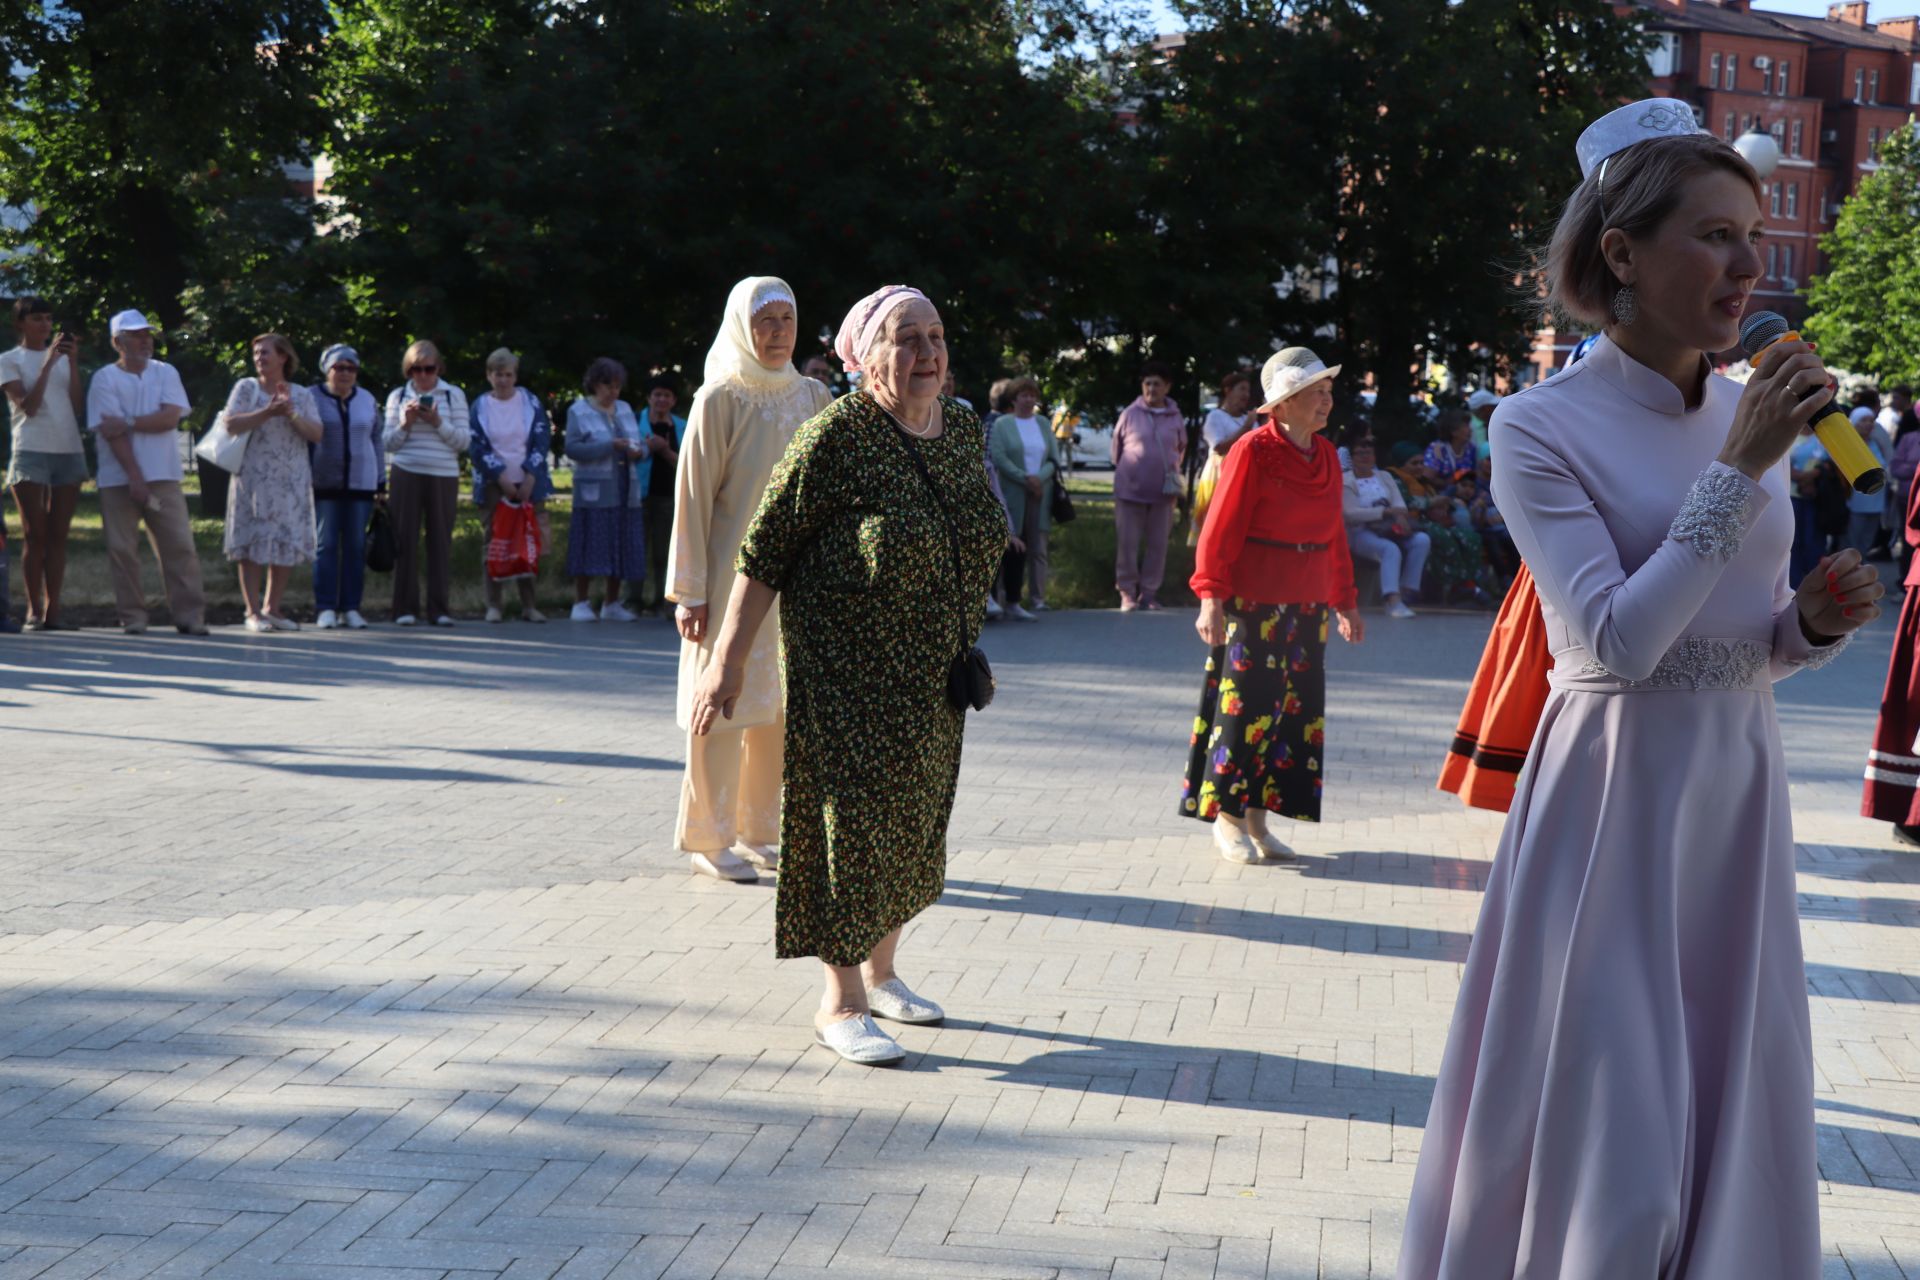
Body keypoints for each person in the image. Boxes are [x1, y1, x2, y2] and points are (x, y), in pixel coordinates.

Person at [1397, 101, 1874, 1280]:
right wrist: (1738, 471)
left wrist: (1804, 626)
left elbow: (1727, 640)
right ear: (1622, 253)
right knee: (1622, 1111)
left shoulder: (1742, 414)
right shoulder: (1537, 425)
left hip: (1733, 791)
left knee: (1727, 1080)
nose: (1747, 267)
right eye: (1713, 235)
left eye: (1752, 237)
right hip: (1612, 800)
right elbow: (1612, 644)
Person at [688, 284, 1005, 1066]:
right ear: (865, 356)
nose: (928, 354)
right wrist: (725, 663)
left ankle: (885, 971)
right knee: (850, 826)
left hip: (935, 676)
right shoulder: (835, 435)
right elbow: (762, 553)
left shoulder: (961, 430)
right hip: (848, 675)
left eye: (936, 336)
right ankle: (841, 1001)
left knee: (911, 820)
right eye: (907, 339)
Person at [669, 276, 833, 883]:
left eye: (787, 320)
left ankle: (762, 829)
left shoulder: (814, 396)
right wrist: (689, 591)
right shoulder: (718, 399)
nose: (777, 332)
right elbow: (692, 501)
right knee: (718, 705)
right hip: (725, 583)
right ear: (742, 324)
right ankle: (708, 837)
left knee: (781, 709)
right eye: (765, 320)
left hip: (797, 584)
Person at [1181, 347, 1362, 864]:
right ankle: (1229, 819)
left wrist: (1344, 601)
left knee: (1290, 716)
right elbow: (1220, 528)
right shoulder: (1252, 450)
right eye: (1314, 394)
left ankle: (1259, 823)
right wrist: (1210, 598)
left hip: (1306, 605)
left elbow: (1334, 535)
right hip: (1253, 601)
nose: (1326, 402)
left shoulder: (1326, 454)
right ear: (1281, 405)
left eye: (1328, 393)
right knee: (1246, 710)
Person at [86, 310, 207, 636]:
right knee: (123, 550)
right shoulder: (104, 378)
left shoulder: (166, 372)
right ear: (117, 341)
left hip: (165, 475)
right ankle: (133, 617)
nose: (144, 340)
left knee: (180, 547)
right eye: (136, 335)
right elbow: (110, 433)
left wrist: (127, 421)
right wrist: (135, 477)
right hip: (118, 479)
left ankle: (190, 615)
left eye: (147, 334)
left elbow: (170, 419)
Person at [222, 333, 322, 632]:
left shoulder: (302, 394)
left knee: (284, 541)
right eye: (256, 353)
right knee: (251, 543)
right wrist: (267, 412)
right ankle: (252, 612)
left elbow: (316, 433)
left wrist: (290, 412)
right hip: (252, 479)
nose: (259, 358)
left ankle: (273, 608)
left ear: (283, 357)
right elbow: (230, 424)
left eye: (265, 352)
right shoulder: (246, 388)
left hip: (290, 481)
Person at [2, 298, 87, 630]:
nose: (45, 325)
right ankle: (33, 610)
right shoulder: (9, 360)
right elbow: (28, 407)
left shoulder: (66, 360)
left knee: (58, 535)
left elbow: (77, 406)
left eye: (49, 319)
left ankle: (54, 611)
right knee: (34, 534)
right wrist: (48, 363)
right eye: (37, 319)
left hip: (68, 449)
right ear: (21, 323)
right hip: (31, 450)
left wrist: (73, 363)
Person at [382, 340, 470, 627]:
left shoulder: (453, 395)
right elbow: (388, 443)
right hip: (407, 470)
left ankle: (439, 609)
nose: (422, 375)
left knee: (440, 541)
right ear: (408, 371)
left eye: (428, 369)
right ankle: (404, 608)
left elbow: (463, 441)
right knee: (404, 539)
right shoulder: (397, 396)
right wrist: (405, 423)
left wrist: (437, 422)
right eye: (415, 369)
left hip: (443, 474)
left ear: (438, 368)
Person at [469, 348, 553, 623]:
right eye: (497, 374)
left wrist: (530, 475)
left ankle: (529, 605)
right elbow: (477, 446)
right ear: (489, 375)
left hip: (528, 481)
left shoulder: (529, 401)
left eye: (508, 374)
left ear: (515, 375)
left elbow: (542, 439)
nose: (503, 380)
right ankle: (494, 604)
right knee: (495, 542)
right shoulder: (480, 405)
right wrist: (501, 476)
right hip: (495, 483)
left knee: (527, 542)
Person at [564, 358, 647, 622]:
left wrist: (639, 450)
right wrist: (610, 446)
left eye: (617, 386)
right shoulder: (579, 410)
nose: (614, 392)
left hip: (625, 489)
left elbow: (640, 447)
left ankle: (612, 602)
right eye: (608, 386)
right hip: (594, 493)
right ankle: (581, 601)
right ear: (595, 384)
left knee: (621, 543)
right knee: (589, 543)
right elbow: (573, 449)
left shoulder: (624, 409)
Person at [310, 344, 383, 630]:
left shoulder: (366, 399)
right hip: (324, 483)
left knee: (355, 546)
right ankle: (325, 606)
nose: (345, 373)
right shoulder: (312, 397)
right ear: (326, 369)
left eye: (351, 368)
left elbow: (376, 439)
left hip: (361, 485)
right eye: (338, 367)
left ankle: (351, 607)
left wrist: (380, 482)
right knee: (325, 545)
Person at [1111, 360, 1186, 611]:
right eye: (1147, 383)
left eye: (1157, 384)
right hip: (1130, 491)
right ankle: (1127, 593)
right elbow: (1116, 452)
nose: (1151, 388)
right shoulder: (1129, 414)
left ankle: (1149, 593)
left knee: (1158, 546)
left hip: (1163, 494)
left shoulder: (1175, 416)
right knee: (1128, 545)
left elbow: (1180, 449)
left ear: (1167, 387)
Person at [989, 375, 1060, 619]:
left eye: (1032, 395)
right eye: (1023, 395)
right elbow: (999, 458)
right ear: (1014, 399)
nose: (1028, 400)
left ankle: (1038, 598)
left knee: (1038, 546)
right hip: (1013, 492)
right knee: (1008, 546)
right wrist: (1024, 478)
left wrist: (1039, 478)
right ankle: (1002, 599)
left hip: (1041, 491)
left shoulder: (1042, 423)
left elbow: (1054, 458)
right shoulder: (1003, 424)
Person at [1343, 439, 1427, 619]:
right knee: (1390, 549)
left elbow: (1399, 504)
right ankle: (1392, 600)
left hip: (1390, 527)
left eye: (1369, 453)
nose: (1365, 457)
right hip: (1360, 532)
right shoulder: (1347, 480)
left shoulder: (1384, 476)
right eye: (1360, 453)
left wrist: (1399, 517)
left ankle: (1406, 592)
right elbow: (1350, 514)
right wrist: (1383, 512)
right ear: (1352, 457)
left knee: (1421, 540)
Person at [636, 375, 686, 615]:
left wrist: (664, 450)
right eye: (657, 394)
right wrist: (647, 448)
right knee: (637, 548)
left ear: (674, 400)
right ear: (649, 398)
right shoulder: (635, 422)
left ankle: (664, 601)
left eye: (667, 395)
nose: (661, 399)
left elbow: (688, 464)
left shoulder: (683, 426)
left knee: (664, 551)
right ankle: (632, 599)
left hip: (669, 496)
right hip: (638, 495)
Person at [1844, 404, 1890, 556]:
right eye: (1864, 420)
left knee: (1867, 540)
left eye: (1871, 420)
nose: (1869, 424)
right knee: (1852, 540)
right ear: (1855, 423)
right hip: (1855, 501)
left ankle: (1860, 568)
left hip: (1876, 501)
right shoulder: (1847, 444)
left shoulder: (1876, 443)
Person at [1422, 407, 1478, 478]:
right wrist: (1448, 484)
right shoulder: (1437, 448)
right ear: (1453, 431)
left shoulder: (1470, 448)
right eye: (1465, 426)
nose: (1470, 430)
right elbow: (1427, 477)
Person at [1467, 387, 1500, 455]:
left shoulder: (1492, 422)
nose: (1496, 407)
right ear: (1485, 408)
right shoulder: (1469, 426)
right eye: (1493, 405)